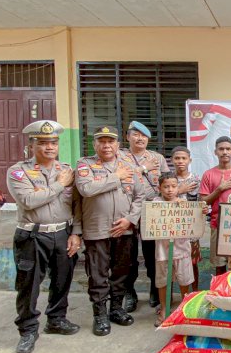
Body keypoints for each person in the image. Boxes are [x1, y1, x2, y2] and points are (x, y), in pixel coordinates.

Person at [6, 120, 82, 353]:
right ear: (32, 144)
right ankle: (28, 330)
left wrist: (76, 233)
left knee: (62, 279)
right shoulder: (19, 171)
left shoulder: (66, 169)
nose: (50, 147)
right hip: (32, 235)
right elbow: (29, 200)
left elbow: (77, 204)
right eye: (43, 143)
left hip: (63, 233)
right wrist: (59, 185)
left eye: (54, 142)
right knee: (29, 285)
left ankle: (56, 319)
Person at [75, 126, 144, 336]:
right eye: (102, 141)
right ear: (95, 144)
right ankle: (100, 314)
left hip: (123, 230)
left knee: (122, 271)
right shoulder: (84, 165)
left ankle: (116, 308)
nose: (106, 145)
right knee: (98, 274)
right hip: (97, 231)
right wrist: (115, 176)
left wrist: (130, 220)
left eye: (110, 141)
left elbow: (139, 197)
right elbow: (86, 189)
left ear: (117, 145)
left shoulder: (128, 167)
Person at [119, 121, 169, 313]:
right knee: (128, 256)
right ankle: (129, 293)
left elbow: (166, 182)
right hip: (127, 211)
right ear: (128, 137)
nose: (140, 139)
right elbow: (119, 177)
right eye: (136, 135)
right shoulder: (120, 156)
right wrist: (143, 169)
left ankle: (155, 290)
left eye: (144, 136)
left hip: (151, 212)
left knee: (152, 255)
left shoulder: (157, 157)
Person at [154, 173, 195, 327]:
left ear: (178, 188)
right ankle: (164, 309)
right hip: (162, 251)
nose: (170, 190)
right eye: (166, 187)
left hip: (182, 248)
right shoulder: (155, 203)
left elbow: (193, 221)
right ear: (160, 188)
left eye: (173, 186)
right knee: (163, 280)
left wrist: (199, 211)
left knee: (184, 279)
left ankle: (184, 307)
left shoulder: (183, 202)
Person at [199, 136, 231, 275]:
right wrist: (219, 189)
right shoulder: (209, 174)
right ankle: (220, 293)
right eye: (221, 149)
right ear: (215, 152)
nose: (225, 152)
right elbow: (203, 202)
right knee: (219, 266)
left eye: (228, 149)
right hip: (217, 225)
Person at [170, 146, 202, 291]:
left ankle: (194, 293)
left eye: (184, 158)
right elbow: (161, 199)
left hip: (191, 228)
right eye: (177, 158)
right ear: (172, 160)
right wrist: (179, 190)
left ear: (190, 160)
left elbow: (200, 201)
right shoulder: (168, 178)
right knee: (171, 262)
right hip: (171, 227)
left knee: (193, 262)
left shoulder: (195, 178)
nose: (180, 161)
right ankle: (170, 297)